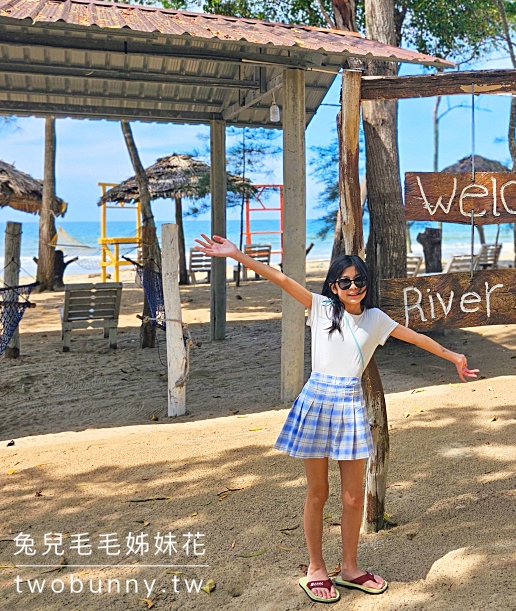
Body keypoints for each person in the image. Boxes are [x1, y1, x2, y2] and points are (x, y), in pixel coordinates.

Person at [193, 235, 478, 604]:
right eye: (345, 282)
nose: (354, 287)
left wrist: (453, 355)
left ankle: (350, 568)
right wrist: (237, 255)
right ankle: (315, 568)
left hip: (350, 406)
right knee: (318, 492)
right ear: (333, 286)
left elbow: (416, 337)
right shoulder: (321, 308)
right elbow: (281, 280)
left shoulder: (375, 319)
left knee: (352, 497)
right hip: (317, 401)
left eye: (359, 281)